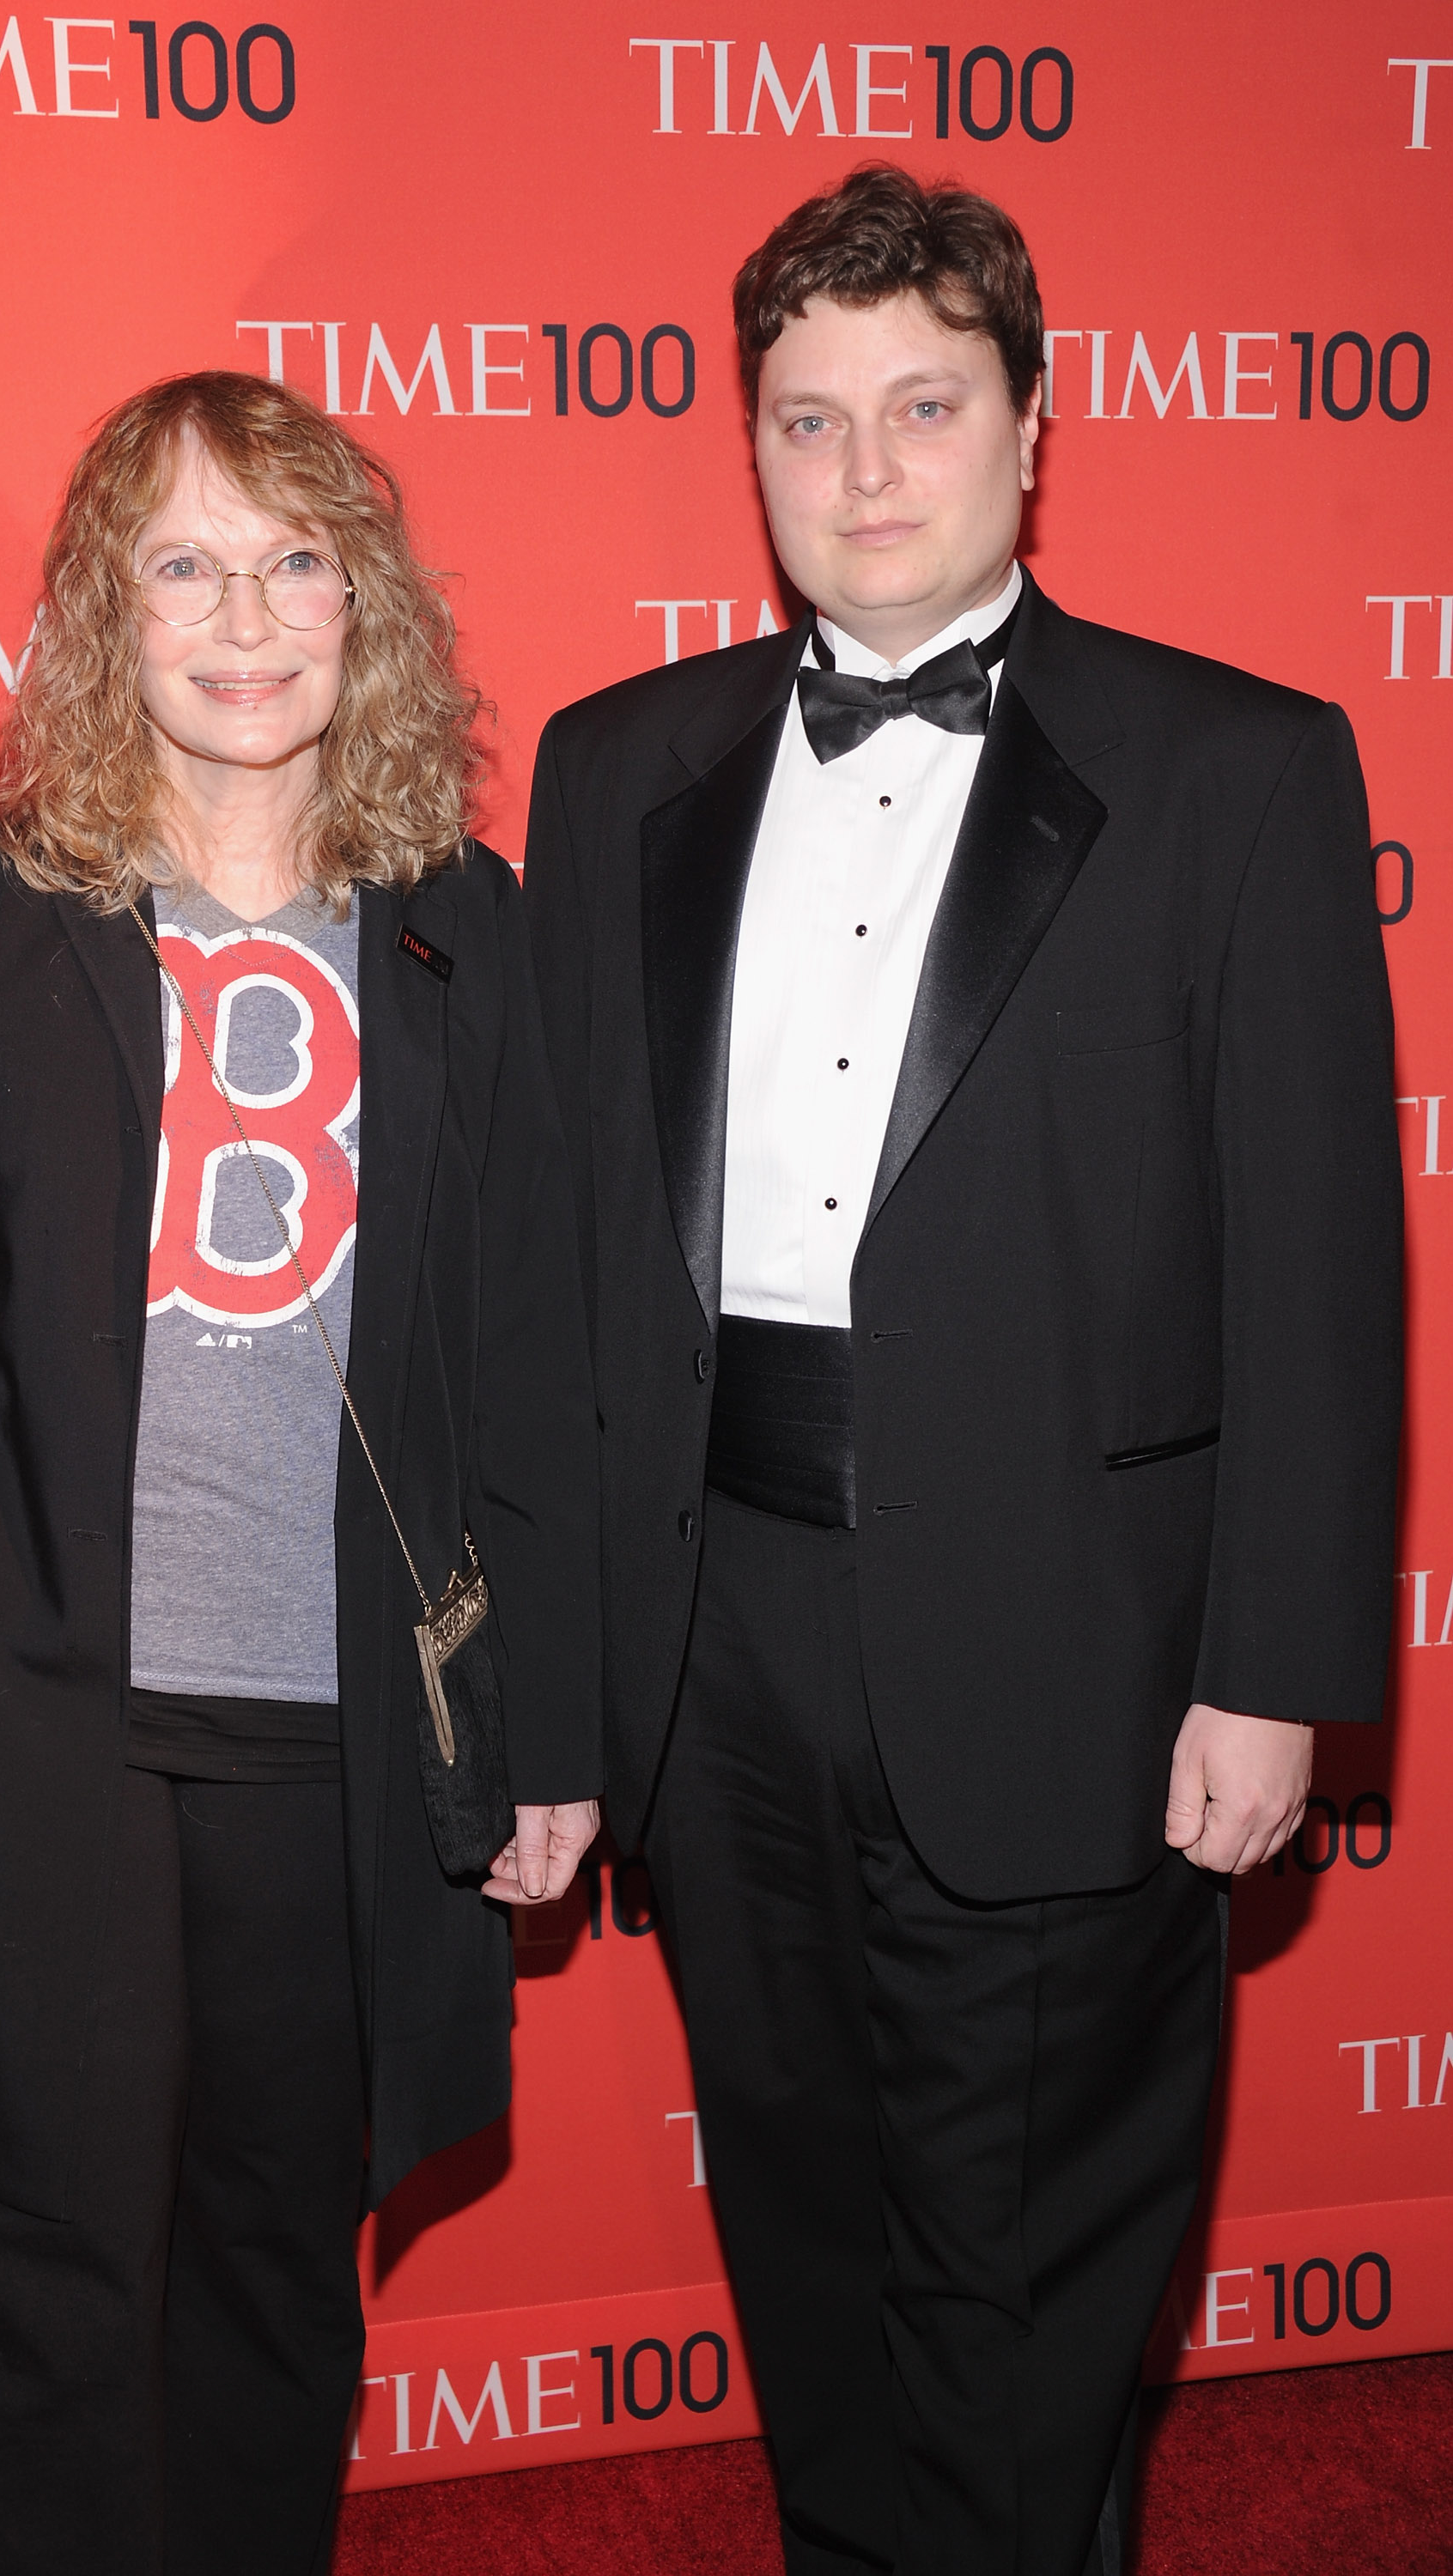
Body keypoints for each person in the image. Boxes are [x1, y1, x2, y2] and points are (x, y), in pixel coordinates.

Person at [523, 165, 1401, 2575]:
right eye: (806, 420)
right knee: (803, 2254)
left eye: (922, 404)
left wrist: (1276, 1679)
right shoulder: (612, 771)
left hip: (1074, 1649)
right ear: (751, 446)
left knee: (1020, 2300)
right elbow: (580, 1254)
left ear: (1033, 421)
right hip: (716, 1655)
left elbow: (1323, 1263)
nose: (865, 468)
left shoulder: (1232, 766)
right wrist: (566, 1693)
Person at [0, 369, 601, 2576]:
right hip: (45, 1732)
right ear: (101, 618)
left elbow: (531, 1361)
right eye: (186, 565)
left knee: (267, 2275)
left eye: (297, 557)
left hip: (342, 1744)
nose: (247, 616)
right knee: (57, 2287)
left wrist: (550, 1736)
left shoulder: (461, 925)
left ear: (370, 605)